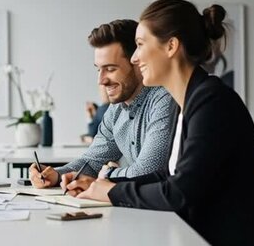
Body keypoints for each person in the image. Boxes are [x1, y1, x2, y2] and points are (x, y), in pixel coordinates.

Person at [79, 0, 254, 245]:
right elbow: (168, 175)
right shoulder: (190, 101)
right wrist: (104, 184)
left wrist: (113, 191)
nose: (135, 58)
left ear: (171, 46)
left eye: (139, 45)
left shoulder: (212, 101)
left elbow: (180, 193)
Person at [30, 20, 177, 188]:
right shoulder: (115, 109)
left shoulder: (164, 98)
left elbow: (149, 170)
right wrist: (56, 175)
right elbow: (92, 162)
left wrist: (107, 174)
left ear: (137, 62)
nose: (101, 80)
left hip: (169, 211)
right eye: (98, 69)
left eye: (111, 69)